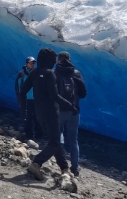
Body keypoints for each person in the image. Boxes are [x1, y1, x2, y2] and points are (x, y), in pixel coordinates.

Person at [22, 48, 75, 180]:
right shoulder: (50, 73)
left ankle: (64, 169)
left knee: (53, 140)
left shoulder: (34, 72)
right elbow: (54, 96)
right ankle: (36, 163)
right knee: (55, 142)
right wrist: (70, 105)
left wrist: (24, 107)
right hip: (51, 112)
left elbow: (23, 90)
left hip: (39, 113)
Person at [55, 51, 86, 177]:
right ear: (69, 59)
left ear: (59, 60)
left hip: (59, 111)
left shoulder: (55, 73)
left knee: (57, 137)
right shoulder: (76, 73)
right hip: (74, 111)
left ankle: (62, 164)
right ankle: (75, 168)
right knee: (73, 141)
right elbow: (84, 93)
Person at [15, 57, 42, 141]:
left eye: (33, 63)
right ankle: (29, 135)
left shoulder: (36, 73)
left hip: (36, 99)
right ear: (26, 63)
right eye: (30, 63)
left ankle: (39, 135)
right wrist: (20, 100)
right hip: (26, 99)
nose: (32, 65)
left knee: (38, 117)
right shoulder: (22, 74)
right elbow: (18, 88)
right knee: (27, 117)